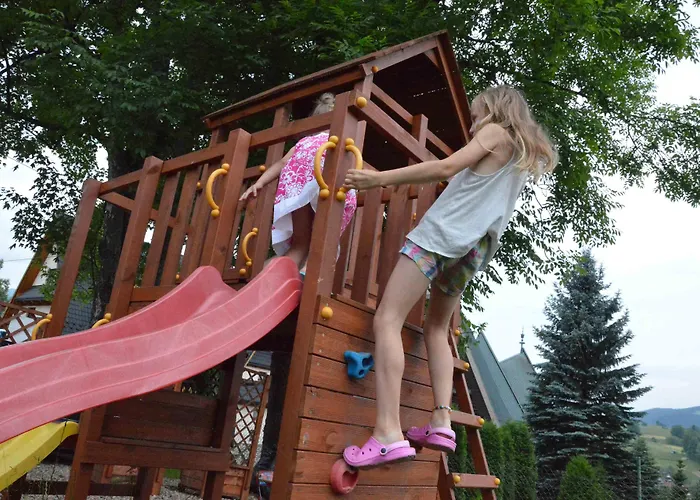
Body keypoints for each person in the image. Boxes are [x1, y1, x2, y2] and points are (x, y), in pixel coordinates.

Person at [341, 85, 558, 468]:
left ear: (495, 109)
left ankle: (387, 432)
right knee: (437, 328)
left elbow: (444, 168)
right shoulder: (519, 157)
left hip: (442, 235)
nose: (472, 127)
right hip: (475, 248)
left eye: (476, 116)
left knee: (388, 319)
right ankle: (442, 422)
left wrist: (378, 179)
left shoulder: (496, 133)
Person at [239, 92, 357, 274]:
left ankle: (264, 280)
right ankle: (306, 276)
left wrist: (259, 183)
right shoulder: (342, 143)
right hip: (327, 187)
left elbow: (282, 163)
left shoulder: (304, 142)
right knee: (322, 243)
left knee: (299, 246)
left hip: (298, 189)